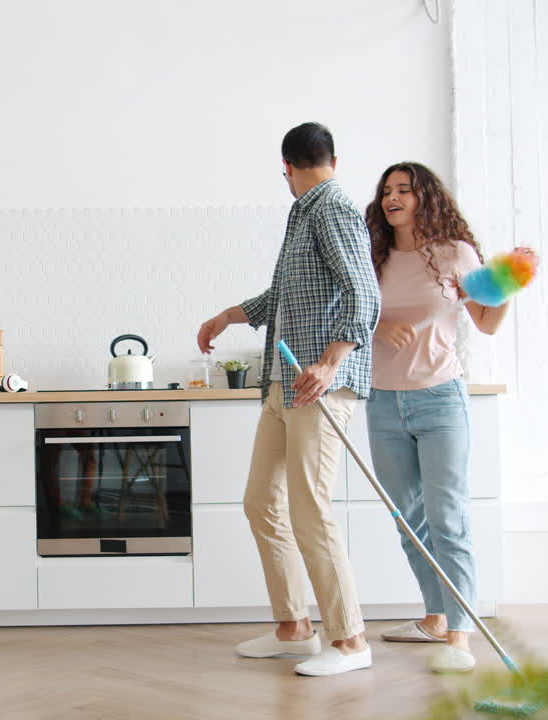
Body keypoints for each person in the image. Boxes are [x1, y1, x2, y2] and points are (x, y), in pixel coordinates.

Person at [197, 122, 380, 677]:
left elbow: (364, 292)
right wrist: (229, 315)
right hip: (284, 381)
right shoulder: (305, 210)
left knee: (310, 509)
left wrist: (330, 362)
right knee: (261, 501)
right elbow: (287, 292)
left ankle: (349, 640)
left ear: (287, 167)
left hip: (317, 385)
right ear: (332, 158)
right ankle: (295, 627)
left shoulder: (332, 209)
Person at [363, 161, 517, 673]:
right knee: (408, 521)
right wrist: (380, 325)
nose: (393, 198)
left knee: (448, 519)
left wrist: (507, 283)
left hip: (439, 399)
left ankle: (460, 633)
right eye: (387, 190)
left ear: (426, 197)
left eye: (404, 190)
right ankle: (434, 617)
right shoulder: (372, 256)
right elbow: (354, 316)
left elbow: (487, 323)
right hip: (383, 401)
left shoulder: (454, 254)